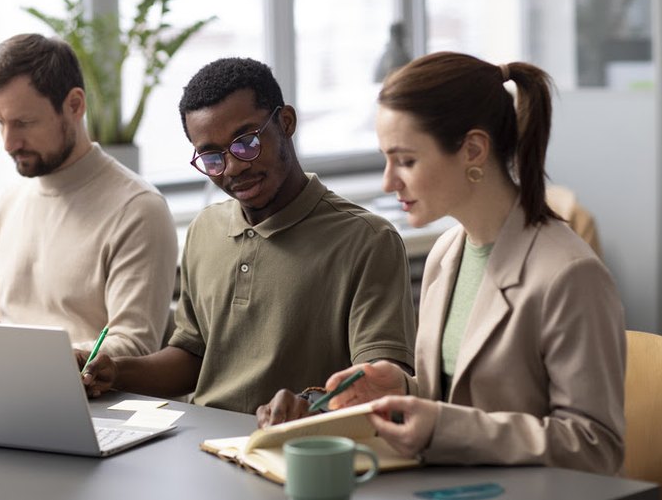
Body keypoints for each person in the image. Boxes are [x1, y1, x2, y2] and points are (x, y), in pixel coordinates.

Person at [256, 51, 625, 475]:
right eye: (386, 158)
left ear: (473, 150)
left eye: (406, 160)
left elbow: (596, 447)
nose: (388, 181)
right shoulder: (447, 254)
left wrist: (441, 426)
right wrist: (403, 390)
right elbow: (462, 400)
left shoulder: (570, 275)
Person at [99, 57, 417, 414]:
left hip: (296, 450)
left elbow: (379, 385)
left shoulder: (368, 240)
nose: (233, 166)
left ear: (286, 123)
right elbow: (192, 357)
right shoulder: (205, 230)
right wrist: (114, 371)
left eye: (246, 142)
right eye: (212, 157)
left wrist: (309, 406)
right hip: (200, 444)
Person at [0, 34, 178, 395]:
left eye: (24, 123)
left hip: (94, 405)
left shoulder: (138, 209)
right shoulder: (8, 203)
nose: (8, 143)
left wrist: (45, 361)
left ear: (74, 105)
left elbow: (136, 346)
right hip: (8, 395)